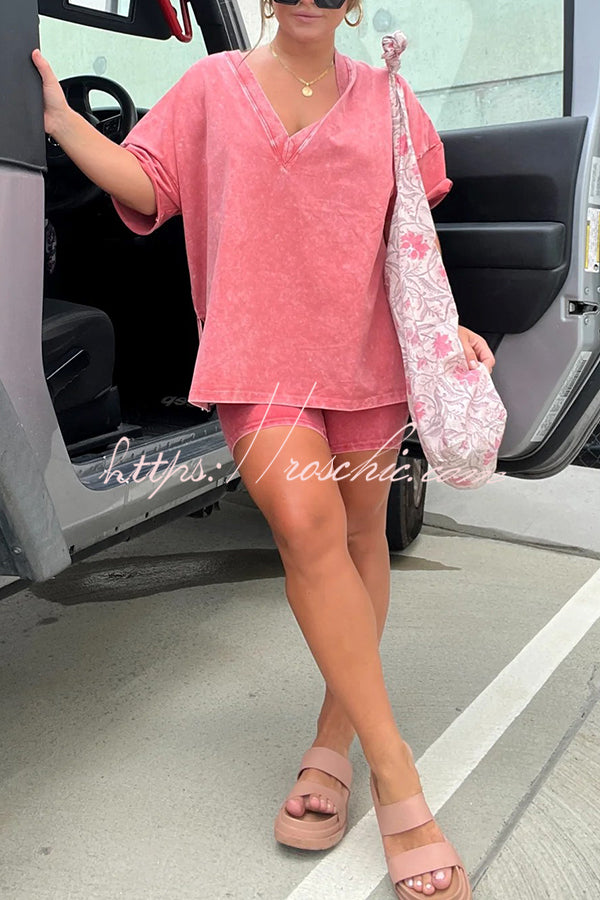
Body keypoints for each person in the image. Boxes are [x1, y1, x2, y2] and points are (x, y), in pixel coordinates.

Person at [33, 2, 494, 896]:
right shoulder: (211, 85)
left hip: (369, 359)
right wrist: (60, 121)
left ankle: (333, 741)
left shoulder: (391, 98)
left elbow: (413, 229)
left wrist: (450, 323)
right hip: (255, 357)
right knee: (308, 532)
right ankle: (398, 777)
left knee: (361, 539)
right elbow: (146, 185)